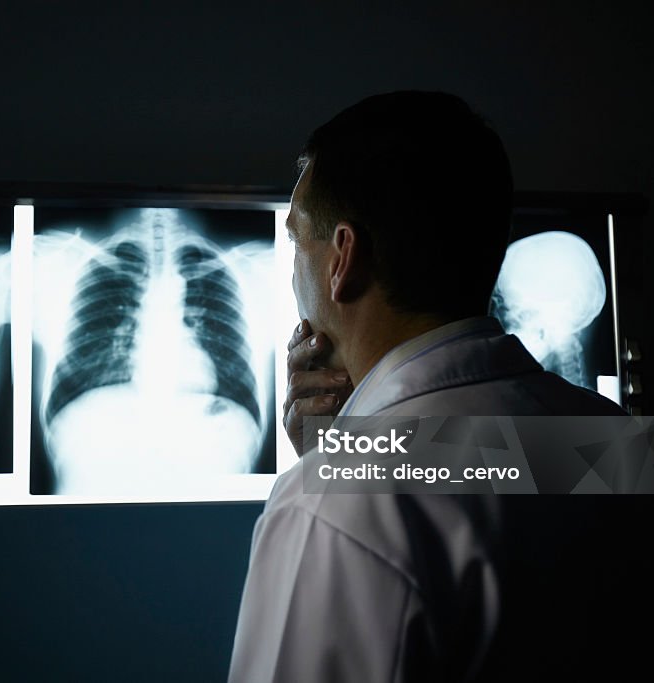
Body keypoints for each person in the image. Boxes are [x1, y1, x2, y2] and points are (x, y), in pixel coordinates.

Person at [228, 92, 627, 682]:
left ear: (343, 258)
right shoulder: (624, 440)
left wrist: (335, 477)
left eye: (296, 240)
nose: (292, 270)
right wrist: (344, 453)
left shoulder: (331, 503)